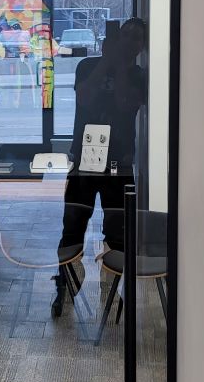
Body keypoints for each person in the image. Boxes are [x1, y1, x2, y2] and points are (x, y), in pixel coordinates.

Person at [52, 17, 147, 312]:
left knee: (118, 231)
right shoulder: (88, 66)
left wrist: (119, 68)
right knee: (72, 226)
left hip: (120, 164)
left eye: (136, 38)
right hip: (84, 161)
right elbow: (85, 98)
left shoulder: (138, 76)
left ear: (142, 45)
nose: (129, 42)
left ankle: (112, 288)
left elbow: (125, 104)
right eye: (125, 36)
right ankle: (65, 284)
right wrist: (107, 61)